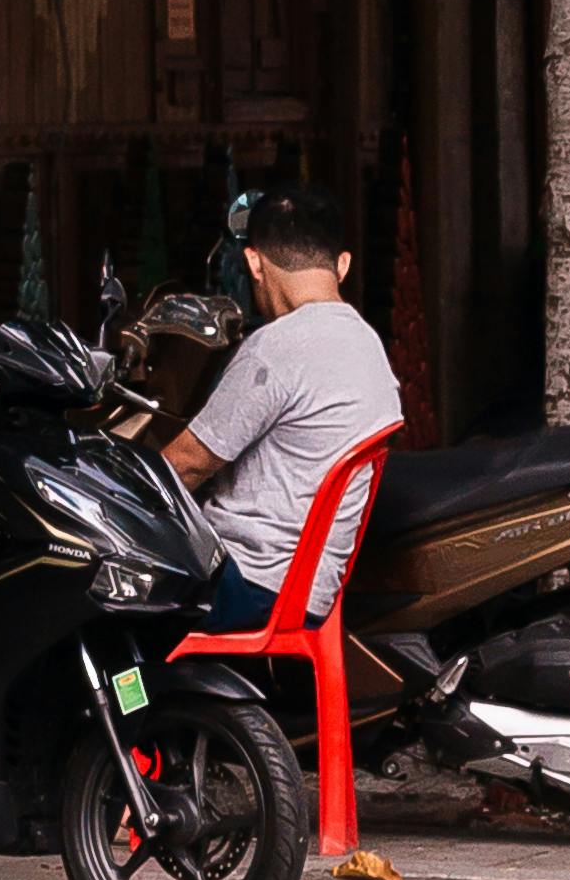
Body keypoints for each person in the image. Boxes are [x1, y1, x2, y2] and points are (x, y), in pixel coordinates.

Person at [165, 183, 403, 627]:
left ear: (253, 261)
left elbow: (186, 464)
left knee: (97, 585)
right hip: (310, 587)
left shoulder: (276, 347)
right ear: (343, 264)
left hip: (250, 584)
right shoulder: (367, 343)